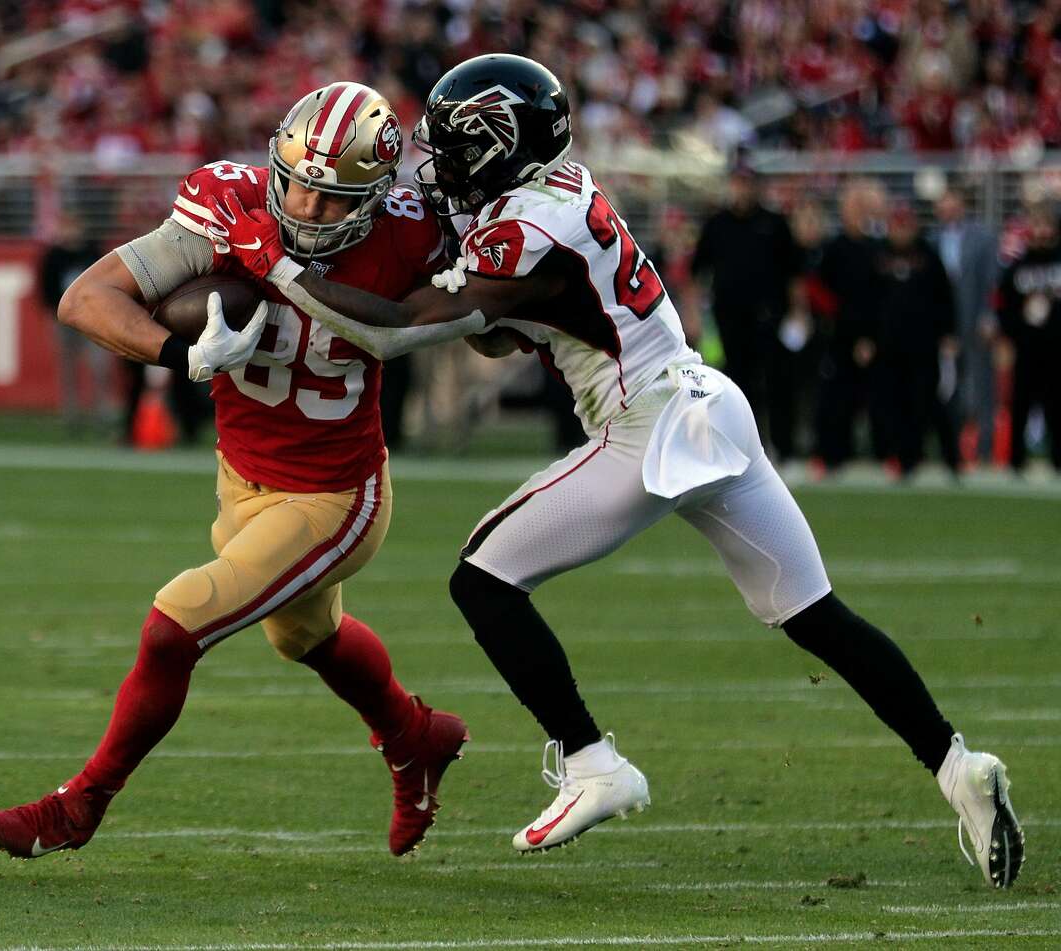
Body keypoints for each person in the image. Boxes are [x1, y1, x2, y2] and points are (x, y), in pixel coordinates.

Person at [198, 54, 1025, 887]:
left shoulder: (526, 229)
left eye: (455, 150)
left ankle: (592, 759)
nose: (439, 167)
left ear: (502, 148)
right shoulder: (556, 193)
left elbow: (397, 331)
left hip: (649, 425)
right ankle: (959, 765)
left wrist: (275, 261)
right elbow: (498, 326)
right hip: (709, 402)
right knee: (817, 616)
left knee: (482, 580)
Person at [0, 82, 467, 861]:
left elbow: (440, 332)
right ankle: (416, 734)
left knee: (177, 621)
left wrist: (282, 269)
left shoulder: (412, 237)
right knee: (306, 635)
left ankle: (80, 803)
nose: (306, 209)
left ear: (377, 199)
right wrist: (180, 354)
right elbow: (86, 298)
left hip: (334, 495)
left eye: (331, 199)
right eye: (299, 185)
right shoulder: (227, 203)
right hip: (241, 476)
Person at [691, 162, 800, 460]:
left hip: (769, 316)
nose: (742, 189)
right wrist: (694, 316)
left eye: (747, 183)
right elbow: (697, 272)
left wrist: (796, 313)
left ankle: (782, 446)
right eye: (737, 183)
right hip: (729, 317)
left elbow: (793, 273)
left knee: (775, 380)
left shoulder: (775, 223)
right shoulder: (716, 224)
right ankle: (743, 445)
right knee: (736, 383)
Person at [872, 203, 960, 477]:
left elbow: (944, 298)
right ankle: (904, 459)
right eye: (897, 226)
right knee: (894, 403)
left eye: (905, 225)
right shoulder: (879, 256)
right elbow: (867, 301)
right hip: (889, 344)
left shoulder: (929, 256)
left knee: (929, 400)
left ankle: (951, 459)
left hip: (924, 343)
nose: (901, 232)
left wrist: (948, 333)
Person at [813, 181, 884, 470]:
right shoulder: (834, 249)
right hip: (841, 337)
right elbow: (819, 290)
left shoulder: (876, 249)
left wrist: (870, 336)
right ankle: (833, 455)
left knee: (879, 398)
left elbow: (880, 297)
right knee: (837, 398)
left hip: (872, 336)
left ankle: (885, 455)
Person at [930, 186, 1000, 464]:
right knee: (948, 387)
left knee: (983, 385)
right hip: (945, 327)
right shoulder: (933, 239)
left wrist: (989, 316)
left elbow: (991, 281)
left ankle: (985, 449)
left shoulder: (983, 237)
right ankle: (950, 450)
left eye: (951, 200)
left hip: (974, 321)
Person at [38, 211, 116, 435]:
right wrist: (56, 312)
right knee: (68, 369)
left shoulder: (91, 251)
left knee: (99, 366)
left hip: (91, 318)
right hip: (63, 319)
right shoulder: (54, 255)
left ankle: (101, 411)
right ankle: (71, 414)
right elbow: (46, 287)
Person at [997, 201, 1061, 473]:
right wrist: (1009, 336)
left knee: (1057, 406)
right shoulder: (1017, 267)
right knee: (1020, 404)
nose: (1041, 231)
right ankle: (1016, 461)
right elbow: (1003, 306)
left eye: (1046, 225)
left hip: (1057, 348)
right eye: (1037, 225)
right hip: (1025, 348)